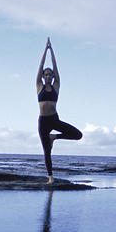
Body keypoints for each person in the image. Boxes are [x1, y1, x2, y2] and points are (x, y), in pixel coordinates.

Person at [37, 37, 82, 184]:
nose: (48, 76)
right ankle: (50, 178)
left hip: (54, 119)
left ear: (53, 77)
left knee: (77, 135)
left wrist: (52, 50)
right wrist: (45, 49)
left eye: (50, 74)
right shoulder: (39, 86)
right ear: (43, 77)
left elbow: (55, 66)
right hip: (43, 121)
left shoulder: (56, 86)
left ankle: (54, 137)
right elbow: (41, 65)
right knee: (46, 152)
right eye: (46, 74)